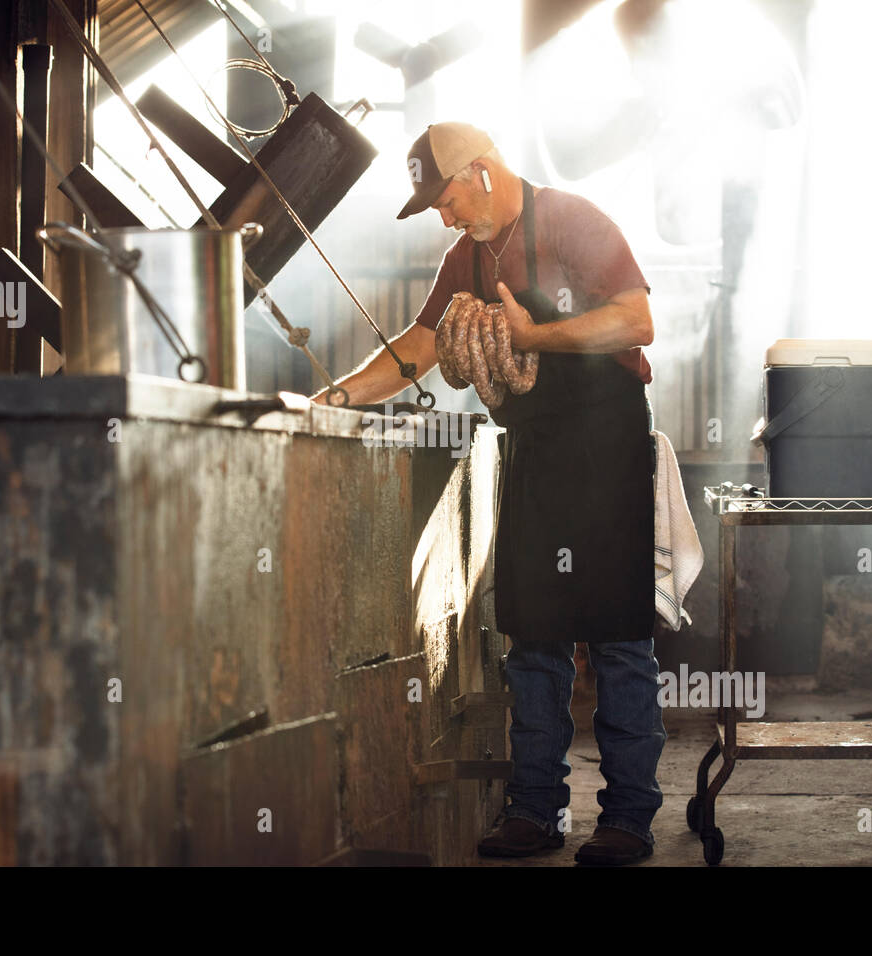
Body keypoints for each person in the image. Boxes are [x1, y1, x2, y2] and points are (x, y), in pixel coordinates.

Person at [312, 122, 666, 866]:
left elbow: (636, 320)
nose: (443, 217)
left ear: (479, 171)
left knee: (618, 637)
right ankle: (536, 811)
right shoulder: (467, 258)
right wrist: (338, 396)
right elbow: (419, 346)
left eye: (443, 200)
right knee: (533, 633)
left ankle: (628, 818)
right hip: (535, 450)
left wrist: (536, 337)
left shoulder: (572, 219)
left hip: (607, 446)